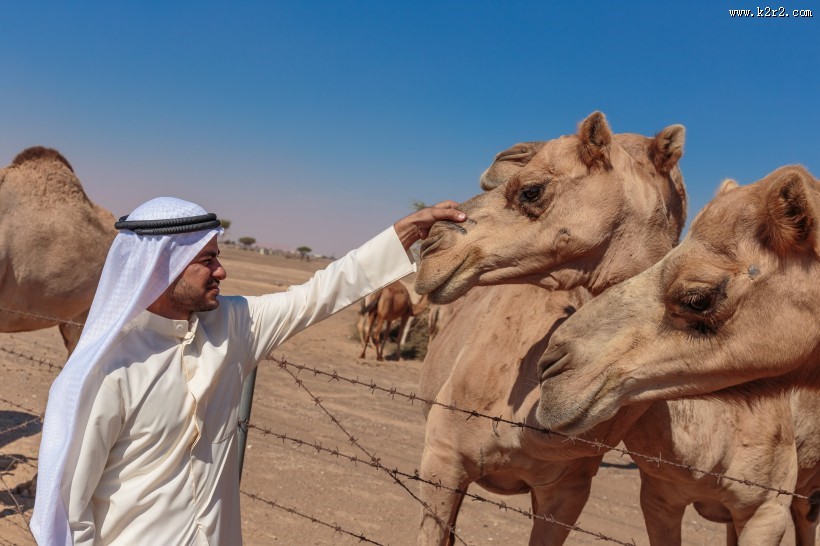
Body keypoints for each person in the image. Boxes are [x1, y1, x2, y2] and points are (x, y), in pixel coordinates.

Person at [31, 196, 466, 546]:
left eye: (217, 257)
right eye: (206, 260)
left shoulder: (235, 325)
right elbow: (69, 511)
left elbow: (321, 293)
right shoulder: (105, 369)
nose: (221, 270)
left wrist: (405, 232)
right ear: (162, 265)